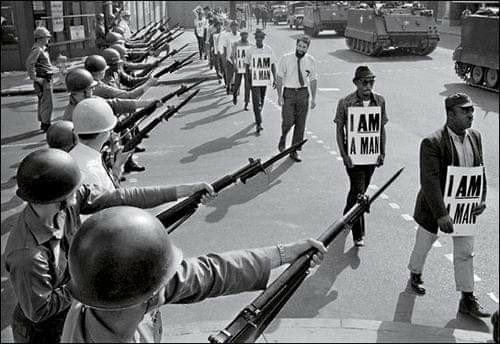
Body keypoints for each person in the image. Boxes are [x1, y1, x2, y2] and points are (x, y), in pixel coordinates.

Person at [4, 149, 215, 344]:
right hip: (45, 333)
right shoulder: (28, 255)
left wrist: (183, 192)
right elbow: (39, 311)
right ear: (56, 198)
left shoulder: (67, 203)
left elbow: (120, 198)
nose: (78, 192)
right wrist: (87, 279)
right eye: (72, 190)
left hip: (74, 309)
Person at [61, 206, 327, 342]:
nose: (169, 282)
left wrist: (284, 255)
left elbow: (208, 273)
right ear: (149, 292)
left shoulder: (112, 290)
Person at [407, 93, 490, 318]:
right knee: (424, 243)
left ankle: (467, 298)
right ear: (451, 114)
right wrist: (441, 214)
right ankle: (415, 273)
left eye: (471, 110)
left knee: (465, 252)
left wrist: (481, 197)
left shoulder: (475, 136)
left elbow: (479, 170)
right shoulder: (432, 142)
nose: (471, 115)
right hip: (435, 207)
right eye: (465, 111)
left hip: (464, 209)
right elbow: (429, 181)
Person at [334, 66, 387, 247]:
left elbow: (381, 128)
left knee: (357, 190)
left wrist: (382, 152)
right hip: (353, 155)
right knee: (359, 192)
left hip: (371, 156)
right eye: (364, 82)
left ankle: (345, 218)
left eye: (371, 82)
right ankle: (359, 234)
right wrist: (344, 155)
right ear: (356, 83)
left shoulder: (379, 101)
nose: (367, 86)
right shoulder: (345, 102)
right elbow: (339, 130)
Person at [69, 98, 131, 191]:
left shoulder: (72, 157)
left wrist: (117, 167)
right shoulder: (93, 171)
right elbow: (110, 200)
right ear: (105, 133)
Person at [276, 34, 318, 162]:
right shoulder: (286, 59)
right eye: (299, 46)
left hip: (303, 93)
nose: (301, 49)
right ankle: (283, 137)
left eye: (304, 47)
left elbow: (313, 80)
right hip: (288, 92)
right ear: (296, 45)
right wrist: (279, 96)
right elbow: (279, 78)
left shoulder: (310, 61)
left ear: (307, 48)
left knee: (300, 124)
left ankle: (294, 150)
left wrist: (313, 98)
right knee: (288, 121)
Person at [245, 28, 277, 133]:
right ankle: (259, 123)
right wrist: (247, 78)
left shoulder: (268, 49)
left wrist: (275, 79)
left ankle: (258, 113)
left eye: (261, 38)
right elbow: (246, 65)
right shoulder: (250, 50)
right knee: (256, 100)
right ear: (255, 39)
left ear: (263, 39)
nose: (259, 39)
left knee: (262, 99)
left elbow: (272, 65)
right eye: (257, 38)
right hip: (254, 79)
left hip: (263, 78)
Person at [26, 26, 54, 132]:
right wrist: (36, 78)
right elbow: (29, 63)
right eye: (47, 37)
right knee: (47, 102)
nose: (48, 39)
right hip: (44, 79)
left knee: (43, 101)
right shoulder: (37, 49)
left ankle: (44, 122)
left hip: (45, 77)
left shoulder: (41, 49)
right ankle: (46, 123)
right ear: (41, 38)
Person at [231, 30, 252, 110]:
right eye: (243, 35)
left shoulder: (250, 45)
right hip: (239, 67)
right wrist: (234, 64)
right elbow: (232, 56)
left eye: (246, 35)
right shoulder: (236, 44)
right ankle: (234, 95)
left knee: (247, 86)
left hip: (247, 68)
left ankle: (246, 103)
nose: (245, 36)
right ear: (241, 35)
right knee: (237, 83)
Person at [223, 20, 241, 96]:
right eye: (233, 27)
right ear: (230, 28)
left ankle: (236, 91)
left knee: (237, 77)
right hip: (229, 59)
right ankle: (228, 86)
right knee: (229, 76)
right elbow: (224, 48)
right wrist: (224, 58)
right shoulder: (227, 36)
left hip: (239, 59)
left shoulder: (240, 35)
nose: (234, 28)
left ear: (237, 27)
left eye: (236, 26)